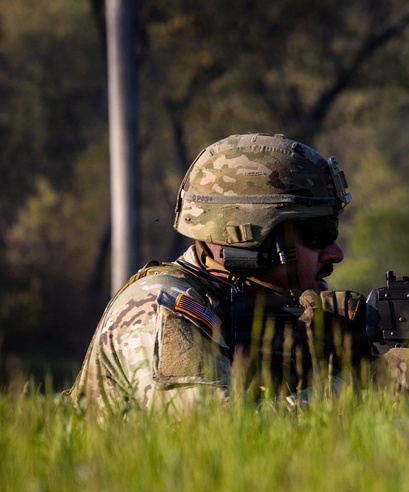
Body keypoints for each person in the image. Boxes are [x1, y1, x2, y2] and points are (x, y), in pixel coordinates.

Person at [69, 132, 383, 411]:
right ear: (250, 235)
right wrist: (363, 386)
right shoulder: (160, 304)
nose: (336, 253)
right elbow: (206, 431)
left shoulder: (245, 309)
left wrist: (334, 361)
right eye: (318, 234)